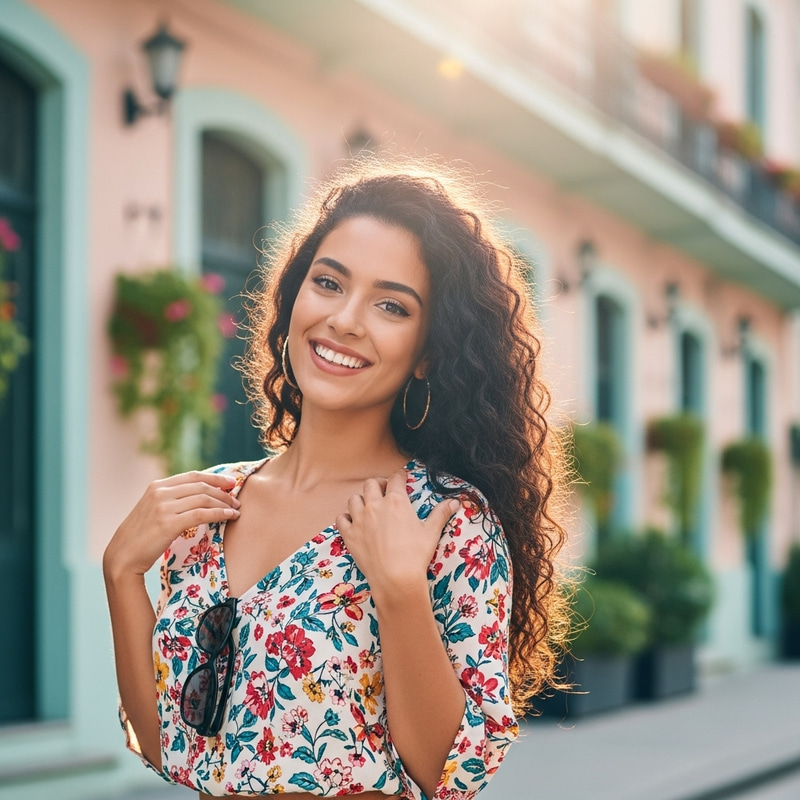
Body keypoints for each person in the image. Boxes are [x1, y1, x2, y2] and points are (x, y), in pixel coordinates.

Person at [104, 158, 569, 800]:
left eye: (391, 306)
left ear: (429, 352)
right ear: (295, 298)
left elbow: (445, 775)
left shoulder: (444, 518)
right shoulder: (208, 507)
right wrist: (122, 573)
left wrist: (401, 588)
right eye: (328, 282)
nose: (346, 320)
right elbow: (172, 749)